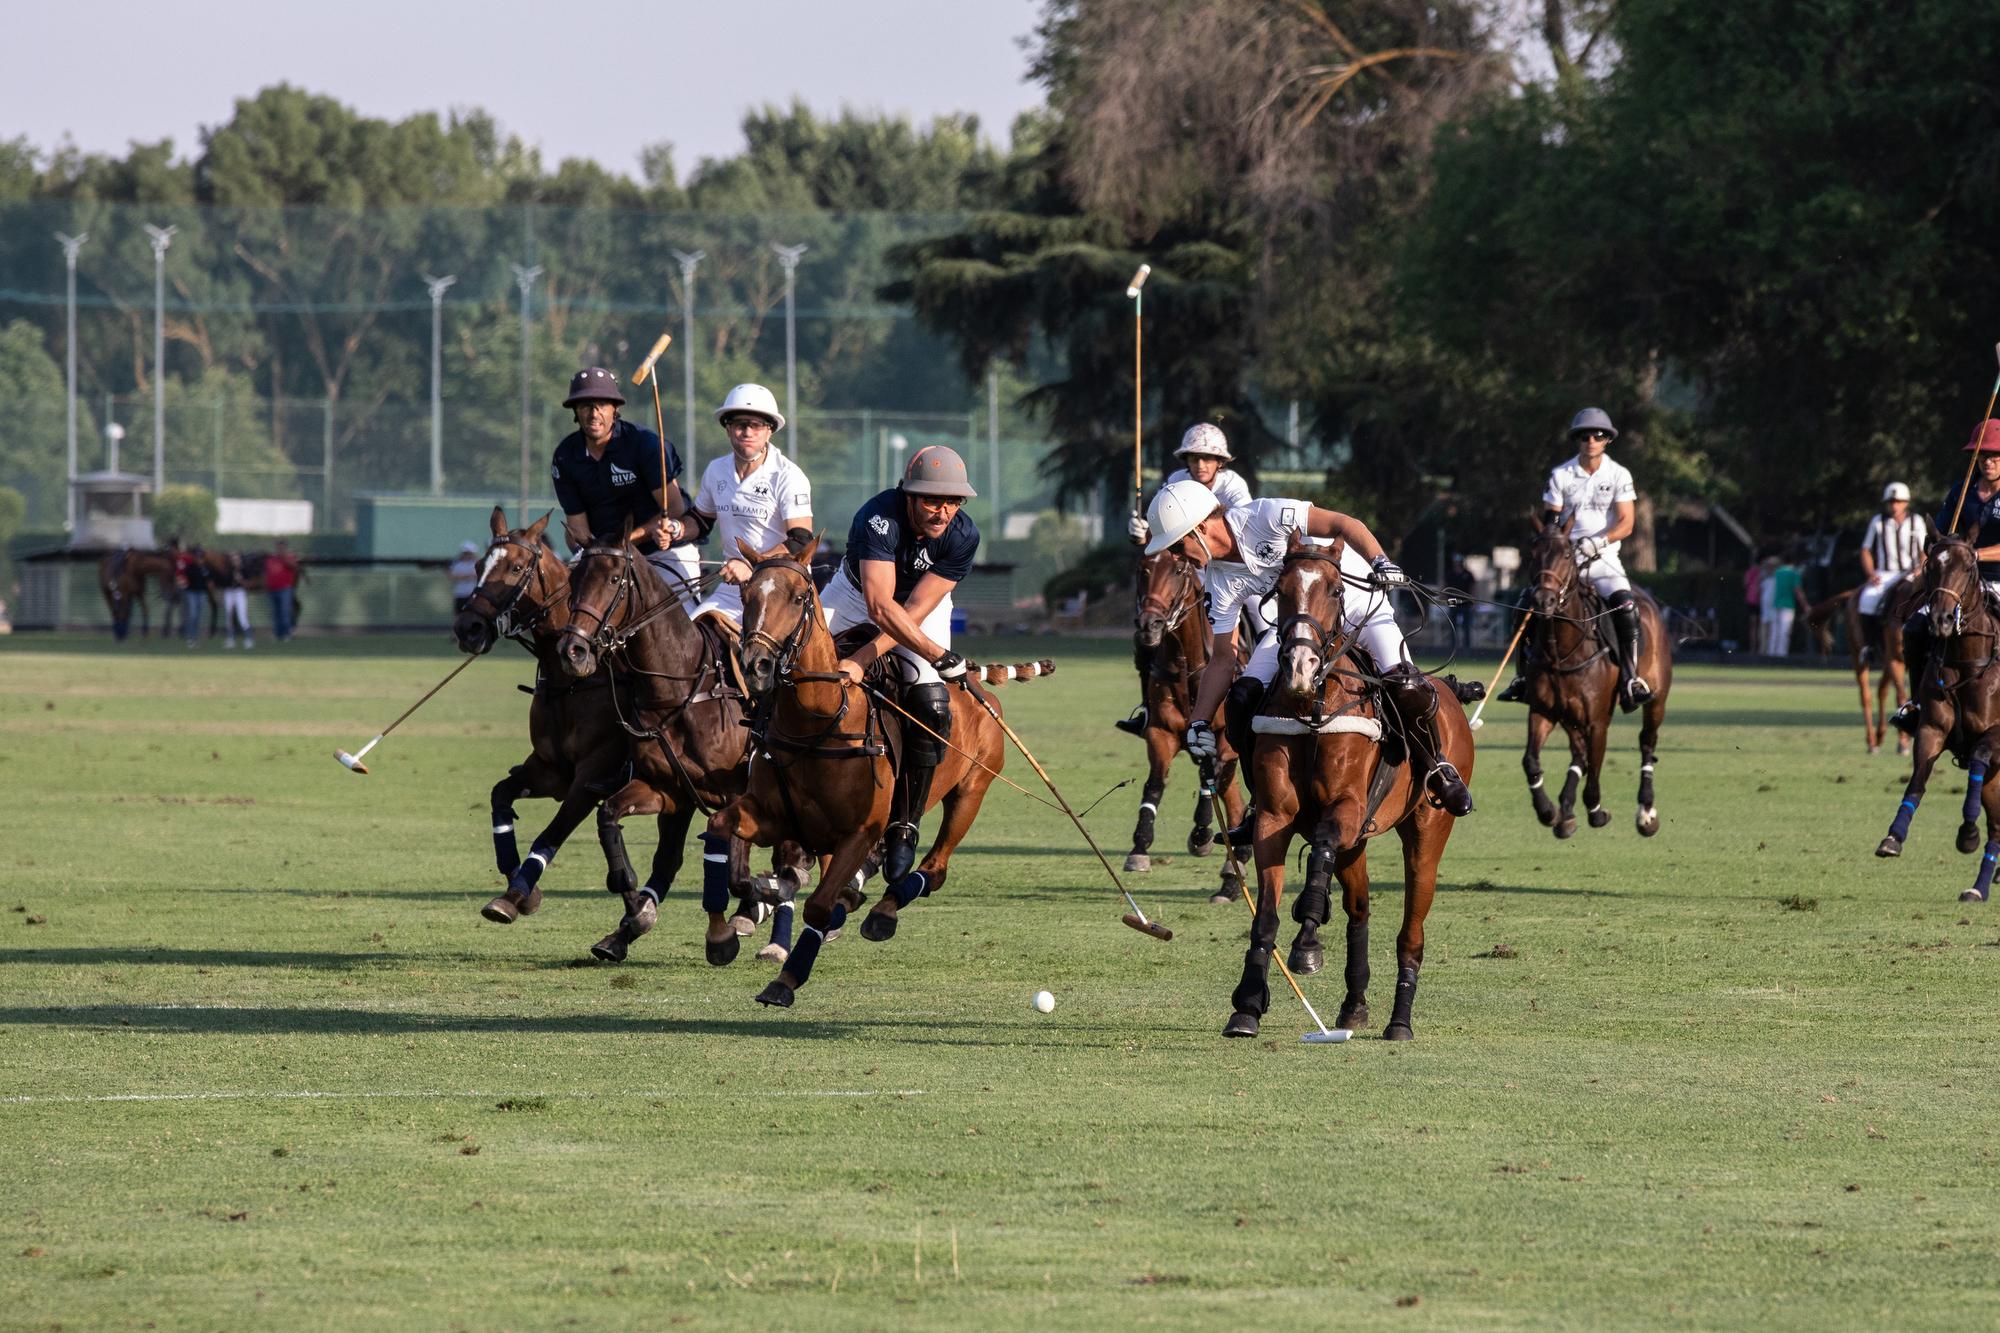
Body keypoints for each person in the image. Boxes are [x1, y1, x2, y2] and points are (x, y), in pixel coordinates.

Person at [1149, 479, 1474, 823]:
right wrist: (1199, 721)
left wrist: (1380, 561)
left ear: (1200, 528)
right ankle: (1260, 803)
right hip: (1296, 631)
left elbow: (1342, 524)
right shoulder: (1218, 578)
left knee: (1405, 685)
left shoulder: (1265, 516)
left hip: (1360, 609)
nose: (1175, 556)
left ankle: (1437, 767)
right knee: (1241, 700)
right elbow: (1223, 657)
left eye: (1177, 544)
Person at [824, 445, 982, 884]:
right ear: (909, 495)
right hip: (854, 597)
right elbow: (878, 606)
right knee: (793, 667)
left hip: (920, 611)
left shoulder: (963, 536)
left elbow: (911, 613)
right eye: (932, 499)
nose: (943, 510)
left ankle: (905, 824)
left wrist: (860, 659)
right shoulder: (878, 517)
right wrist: (940, 656)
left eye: (953, 501)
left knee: (932, 703)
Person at [1496, 407, 1653, 711]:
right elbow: (1551, 521)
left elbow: (1627, 523)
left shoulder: (1619, 475)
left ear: (1607, 439)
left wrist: (1598, 541)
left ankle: (1631, 677)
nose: (1591, 440)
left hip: (1603, 559)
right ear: (1577, 440)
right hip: (1564, 563)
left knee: (1627, 605)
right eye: (1584, 436)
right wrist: (1558, 546)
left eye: (1597, 435)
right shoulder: (1561, 475)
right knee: (1526, 603)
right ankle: (1522, 678)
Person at [1116, 422, 1257, 735]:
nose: (1201, 464)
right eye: (1194, 458)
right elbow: (1163, 530)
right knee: (1151, 617)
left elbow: (1242, 528)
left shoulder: (1233, 486)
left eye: (1208, 458)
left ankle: (1263, 680)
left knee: (1262, 615)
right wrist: (1142, 534)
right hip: (1188, 564)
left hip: (1233, 568)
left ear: (1220, 462)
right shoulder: (1176, 481)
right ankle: (1148, 707)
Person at [548, 366, 698, 608]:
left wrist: (622, 542)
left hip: (662, 551)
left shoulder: (645, 444)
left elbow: (675, 509)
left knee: (683, 625)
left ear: (615, 408)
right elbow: (578, 528)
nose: (593, 413)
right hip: (607, 557)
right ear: (575, 411)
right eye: (585, 405)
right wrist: (595, 551)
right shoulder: (566, 456)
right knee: (573, 622)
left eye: (602, 405)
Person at [1893, 419, 2000, 733]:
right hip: (1959, 582)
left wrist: (1974, 555)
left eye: (1996, 456)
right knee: (1915, 627)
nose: (1989, 461)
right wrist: (1923, 565)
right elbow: (1939, 536)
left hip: (1996, 579)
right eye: (1983, 456)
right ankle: (1916, 703)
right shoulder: (1962, 489)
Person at [684, 384, 814, 628]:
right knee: (690, 635)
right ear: (728, 429)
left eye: (756, 425)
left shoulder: (788, 476)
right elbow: (701, 520)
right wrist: (677, 529)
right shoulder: (716, 470)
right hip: (734, 588)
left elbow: (801, 541)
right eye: (740, 424)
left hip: (781, 588)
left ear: (769, 431)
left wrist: (751, 564)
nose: (747, 432)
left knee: (759, 653)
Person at [1858, 482, 1926, 652]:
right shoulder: (1878, 521)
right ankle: (1870, 646)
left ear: (1906, 503)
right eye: (1891, 502)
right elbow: (1866, 550)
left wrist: (1920, 567)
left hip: (1911, 573)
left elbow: (1924, 550)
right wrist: (1871, 573)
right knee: (1867, 599)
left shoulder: (1916, 521)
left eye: (1898, 501)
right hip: (1885, 573)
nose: (1895, 505)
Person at [1763, 548, 1806, 656]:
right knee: (1784, 632)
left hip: (1775, 604)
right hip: (1787, 605)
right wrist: (1805, 605)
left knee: (1774, 632)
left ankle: (1771, 653)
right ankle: (1781, 655)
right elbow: (1798, 591)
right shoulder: (1794, 573)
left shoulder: (1777, 572)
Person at [265, 540, 299, 641]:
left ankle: (287, 633)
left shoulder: (289, 557)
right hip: (273, 589)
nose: (279, 549)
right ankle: (278, 634)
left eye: (282, 547)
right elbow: (267, 572)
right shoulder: (271, 559)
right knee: (276, 613)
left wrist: (283, 558)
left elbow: (294, 567)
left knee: (285, 612)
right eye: (278, 547)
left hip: (285, 589)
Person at [219, 552, 253, 649]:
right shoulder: (228, 570)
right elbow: (224, 583)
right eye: (233, 559)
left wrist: (240, 580)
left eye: (237, 559)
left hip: (239, 592)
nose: (235, 561)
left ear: (240, 560)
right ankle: (230, 640)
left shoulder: (244, 570)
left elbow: (247, 584)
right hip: (229, 592)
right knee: (228, 617)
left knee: (242, 616)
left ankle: (248, 640)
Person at [180, 544, 210, 648]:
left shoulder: (204, 568)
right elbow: (184, 579)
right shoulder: (190, 567)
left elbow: (207, 580)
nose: (200, 559)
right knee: (192, 615)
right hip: (191, 592)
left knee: (198, 616)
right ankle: (190, 637)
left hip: (201, 593)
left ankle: (195, 637)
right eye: (198, 557)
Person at [448, 541, 480, 614]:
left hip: (473, 594)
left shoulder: (476, 563)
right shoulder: (457, 563)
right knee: (459, 614)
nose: (467, 555)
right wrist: (468, 576)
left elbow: (477, 575)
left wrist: (462, 576)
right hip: (460, 594)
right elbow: (452, 576)